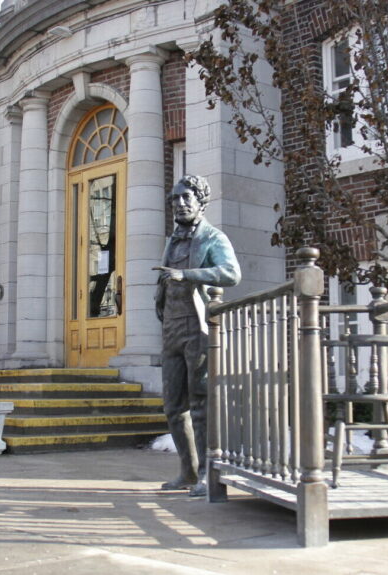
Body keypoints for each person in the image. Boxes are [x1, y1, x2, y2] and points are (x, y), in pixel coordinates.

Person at [153, 175, 241, 497]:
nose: (180, 203)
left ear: (201, 202)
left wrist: (188, 274)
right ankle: (188, 471)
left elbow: (231, 273)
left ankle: (207, 472)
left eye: (186, 197)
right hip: (171, 328)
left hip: (197, 326)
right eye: (175, 199)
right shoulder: (171, 240)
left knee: (201, 403)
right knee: (173, 406)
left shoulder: (213, 237)